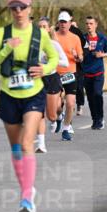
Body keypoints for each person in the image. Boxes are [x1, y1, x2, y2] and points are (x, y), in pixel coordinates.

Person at [0, 0, 59, 212]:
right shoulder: (1, 33)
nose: (18, 12)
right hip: (9, 95)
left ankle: (27, 199)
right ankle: (27, 188)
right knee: (16, 148)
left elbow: (54, 58)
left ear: (30, 9)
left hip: (33, 94)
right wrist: (7, 48)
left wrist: (44, 69)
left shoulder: (40, 34)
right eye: (13, 8)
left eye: (22, 7)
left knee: (27, 143)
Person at [36, 16, 68, 153]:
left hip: (52, 79)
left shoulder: (54, 45)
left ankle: (59, 116)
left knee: (52, 116)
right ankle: (41, 145)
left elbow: (65, 63)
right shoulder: (33, 46)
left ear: (49, 29)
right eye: (39, 27)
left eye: (44, 26)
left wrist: (51, 61)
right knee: (38, 113)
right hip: (38, 80)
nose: (42, 29)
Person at [53, 12, 83, 141]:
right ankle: (59, 117)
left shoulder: (75, 38)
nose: (63, 24)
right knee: (57, 107)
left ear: (70, 23)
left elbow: (81, 58)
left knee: (70, 103)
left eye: (65, 22)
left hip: (71, 73)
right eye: (61, 22)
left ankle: (66, 129)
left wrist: (77, 56)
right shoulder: (53, 36)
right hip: (56, 74)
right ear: (58, 23)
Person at [80, 16, 107, 130]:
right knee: (90, 98)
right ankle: (94, 119)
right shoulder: (83, 38)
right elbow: (79, 53)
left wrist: (102, 55)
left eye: (91, 23)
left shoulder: (102, 38)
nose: (89, 25)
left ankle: (100, 118)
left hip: (98, 72)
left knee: (98, 94)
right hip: (86, 72)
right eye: (87, 23)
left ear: (96, 25)